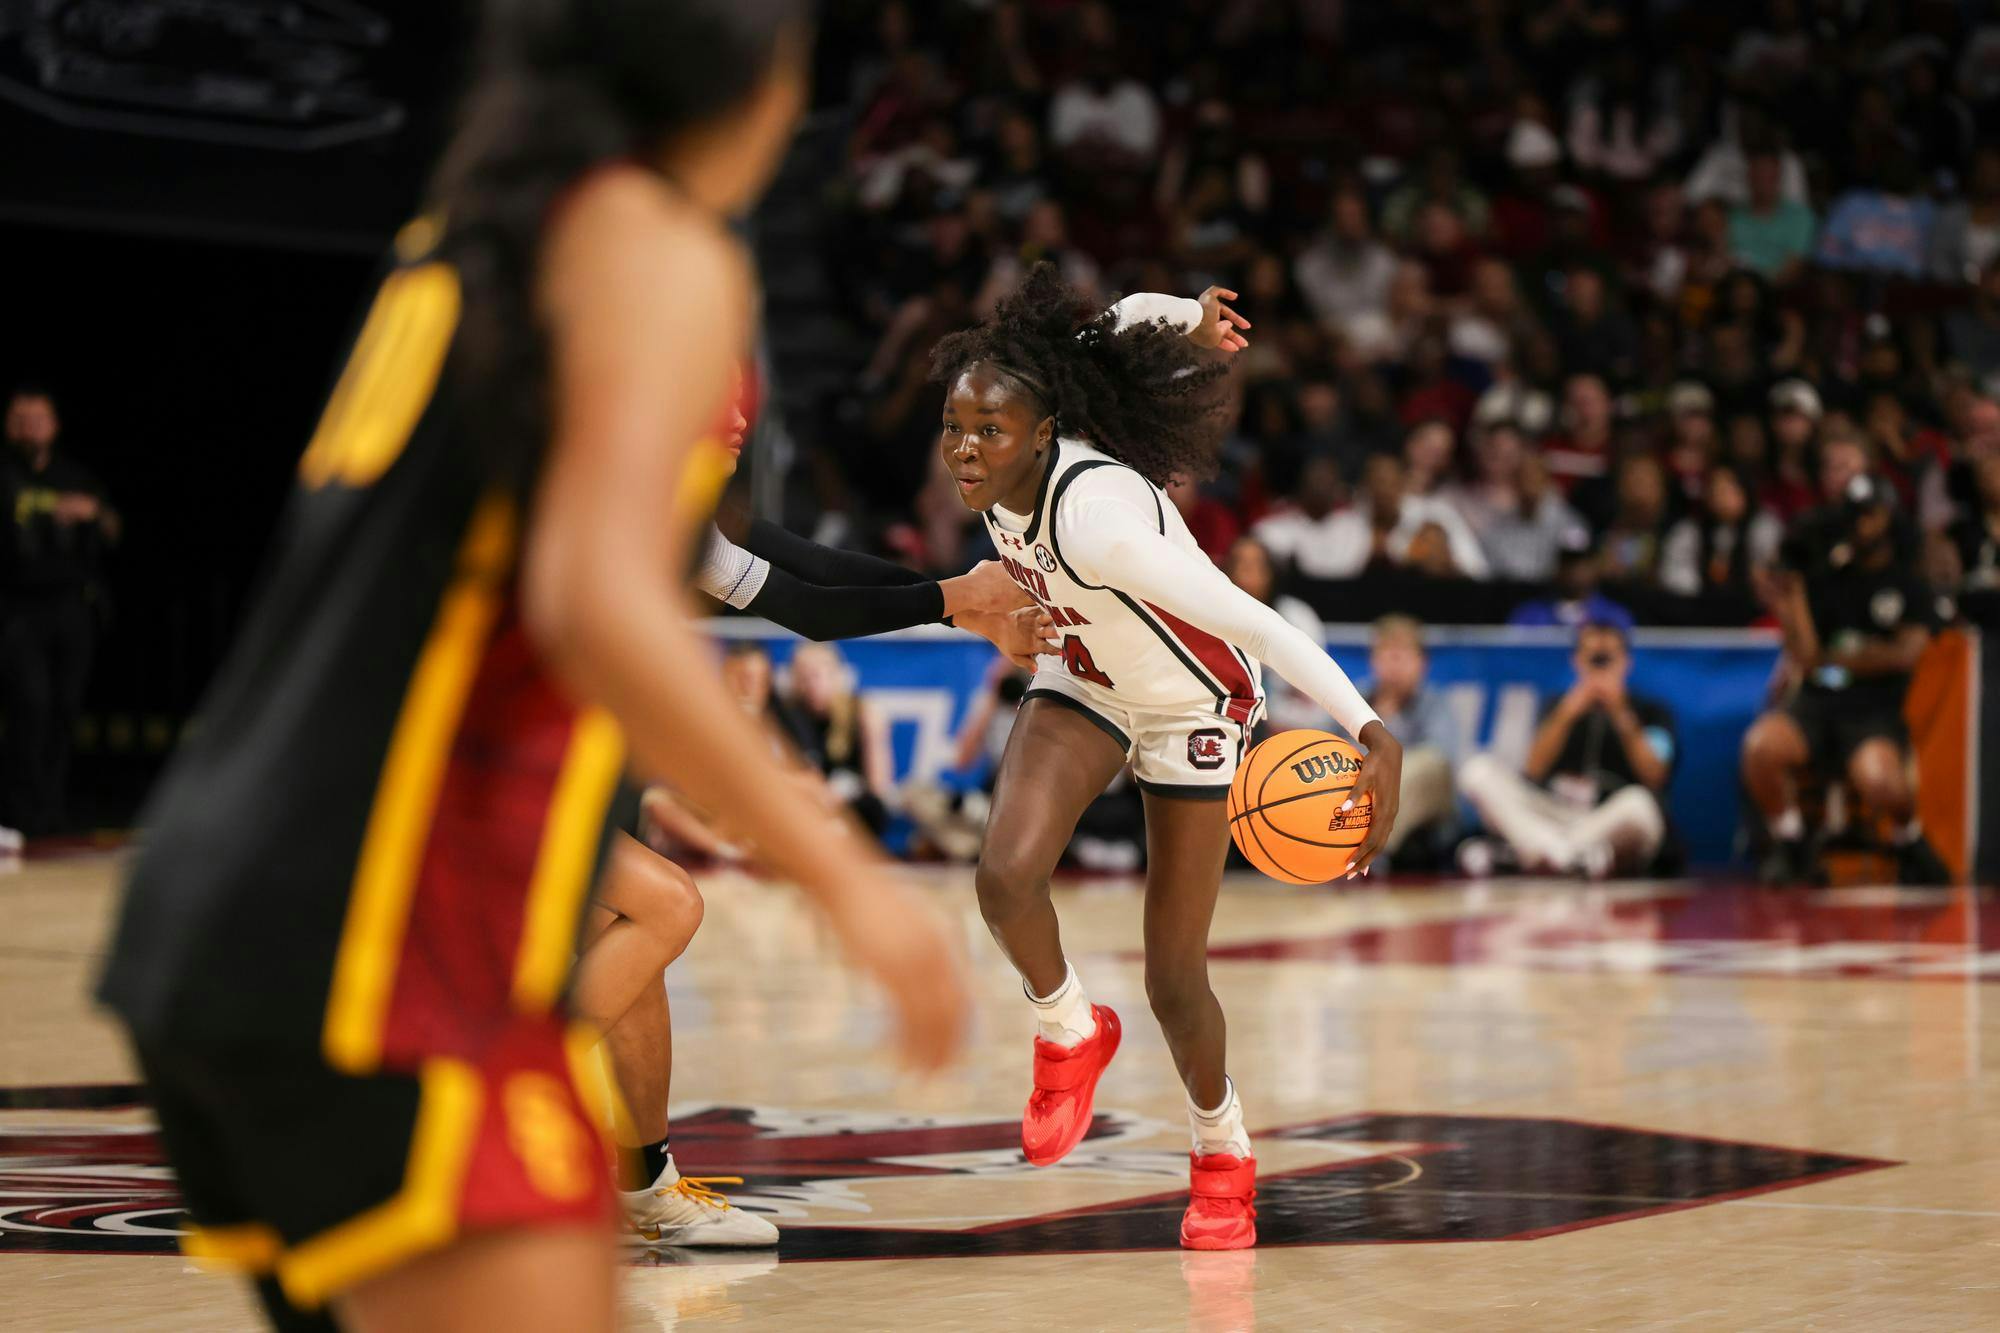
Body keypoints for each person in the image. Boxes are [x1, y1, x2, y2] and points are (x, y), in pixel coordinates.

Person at [95, 7, 970, 1331]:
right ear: (759, 85)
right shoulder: (659, 250)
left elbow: (504, 598)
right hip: (378, 935)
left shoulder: (466, 242)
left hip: (224, 909)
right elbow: (597, 594)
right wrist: (850, 880)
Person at [932, 263, 1402, 1250]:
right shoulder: (1017, 438)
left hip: (1195, 694)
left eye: (988, 433)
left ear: (1043, 434)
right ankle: (1066, 1029)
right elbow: (1111, 323)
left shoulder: (1099, 524)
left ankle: (1221, 1149)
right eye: (953, 428)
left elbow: (1255, 622)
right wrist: (1188, 317)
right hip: (1086, 675)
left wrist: (1368, 727)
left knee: (1172, 977)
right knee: (1003, 875)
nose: (965, 451)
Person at [1741, 473, 1950, 885]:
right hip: (1817, 705)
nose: (1860, 524)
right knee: (1760, 747)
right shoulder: (1826, 576)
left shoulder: (1907, 584)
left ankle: (1909, 840)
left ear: (1888, 518)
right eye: (1854, 515)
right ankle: (1790, 840)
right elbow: (1805, 657)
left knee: (1878, 780)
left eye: (1869, 515)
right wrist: (1792, 598)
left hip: (1874, 711)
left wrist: (1838, 660)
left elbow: (1905, 655)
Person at [1458, 622, 1673, 879]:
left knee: (1641, 806)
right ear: (1576, 661)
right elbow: (1533, 768)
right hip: (1552, 813)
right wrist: (1569, 711)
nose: (1600, 667)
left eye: (1608, 659)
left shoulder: (1651, 711)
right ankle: (1567, 857)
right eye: (1593, 658)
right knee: (1478, 771)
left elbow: (1655, 776)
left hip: (1605, 821)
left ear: (1626, 662)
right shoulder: (1559, 706)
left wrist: (1620, 711)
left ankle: (1529, 856)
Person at [0, 387, 117, 842]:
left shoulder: (74, 476)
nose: (30, 426)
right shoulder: (5, 476)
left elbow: (112, 527)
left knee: (64, 709)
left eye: (38, 418)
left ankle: (50, 811)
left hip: (71, 606)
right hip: (17, 608)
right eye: (20, 418)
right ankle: (19, 811)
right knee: (29, 704)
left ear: (54, 425)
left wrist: (93, 513)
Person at [1361, 616, 1463, 863]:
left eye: (1403, 656)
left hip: (1429, 804)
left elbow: (1441, 758)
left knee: (1421, 764)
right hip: (1368, 793)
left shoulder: (1434, 703)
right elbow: (1332, 743)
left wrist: (1390, 722)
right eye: (1387, 655)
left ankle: (1377, 849)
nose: (1395, 665)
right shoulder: (1357, 698)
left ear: (1422, 663)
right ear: (1373, 661)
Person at [1221, 535, 1329, 734]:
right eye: (1241, 563)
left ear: (1271, 572)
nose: (1248, 571)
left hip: (1292, 725)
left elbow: (1317, 688)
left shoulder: (1297, 616)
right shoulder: (1212, 616)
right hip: (1231, 723)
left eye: (1257, 564)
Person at [1508, 531, 1635, 631]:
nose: (1574, 570)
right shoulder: (1529, 616)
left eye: (1582, 562)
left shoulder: (1615, 617)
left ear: (1595, 566)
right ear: (1557, 566)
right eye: (1568, 562)